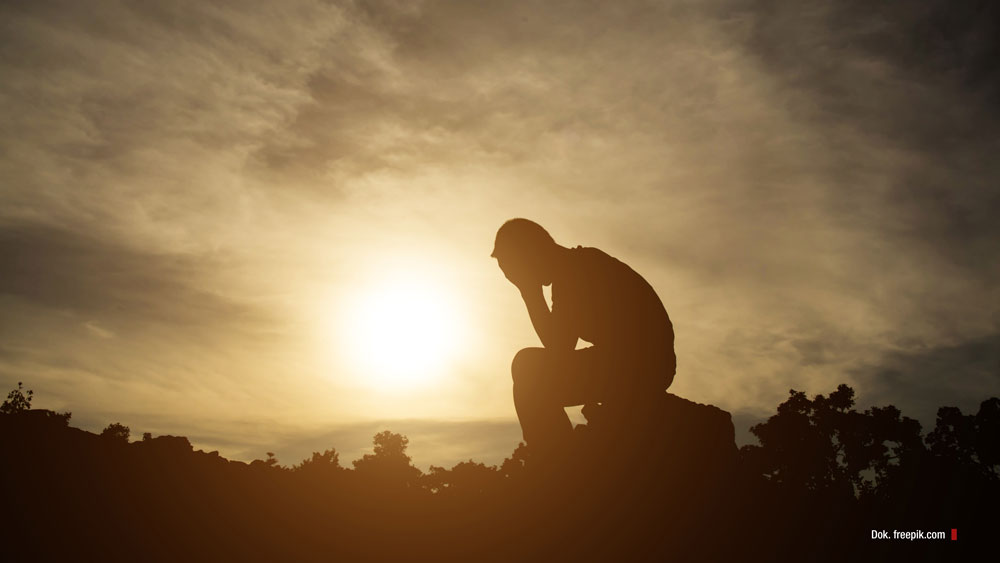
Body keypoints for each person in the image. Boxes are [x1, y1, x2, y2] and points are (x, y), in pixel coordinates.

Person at [492, 218, 676, 454]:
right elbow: (560, 347)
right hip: (636, 362)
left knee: (527, 367)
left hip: (638, 364)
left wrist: (529, 291)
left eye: (512, 270)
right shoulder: (573, 267)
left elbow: (559, 349)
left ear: (529, 254)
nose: (510, 277)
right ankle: (556, 456)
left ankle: (555, 460)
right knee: (529, 368)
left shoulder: (575, 271)